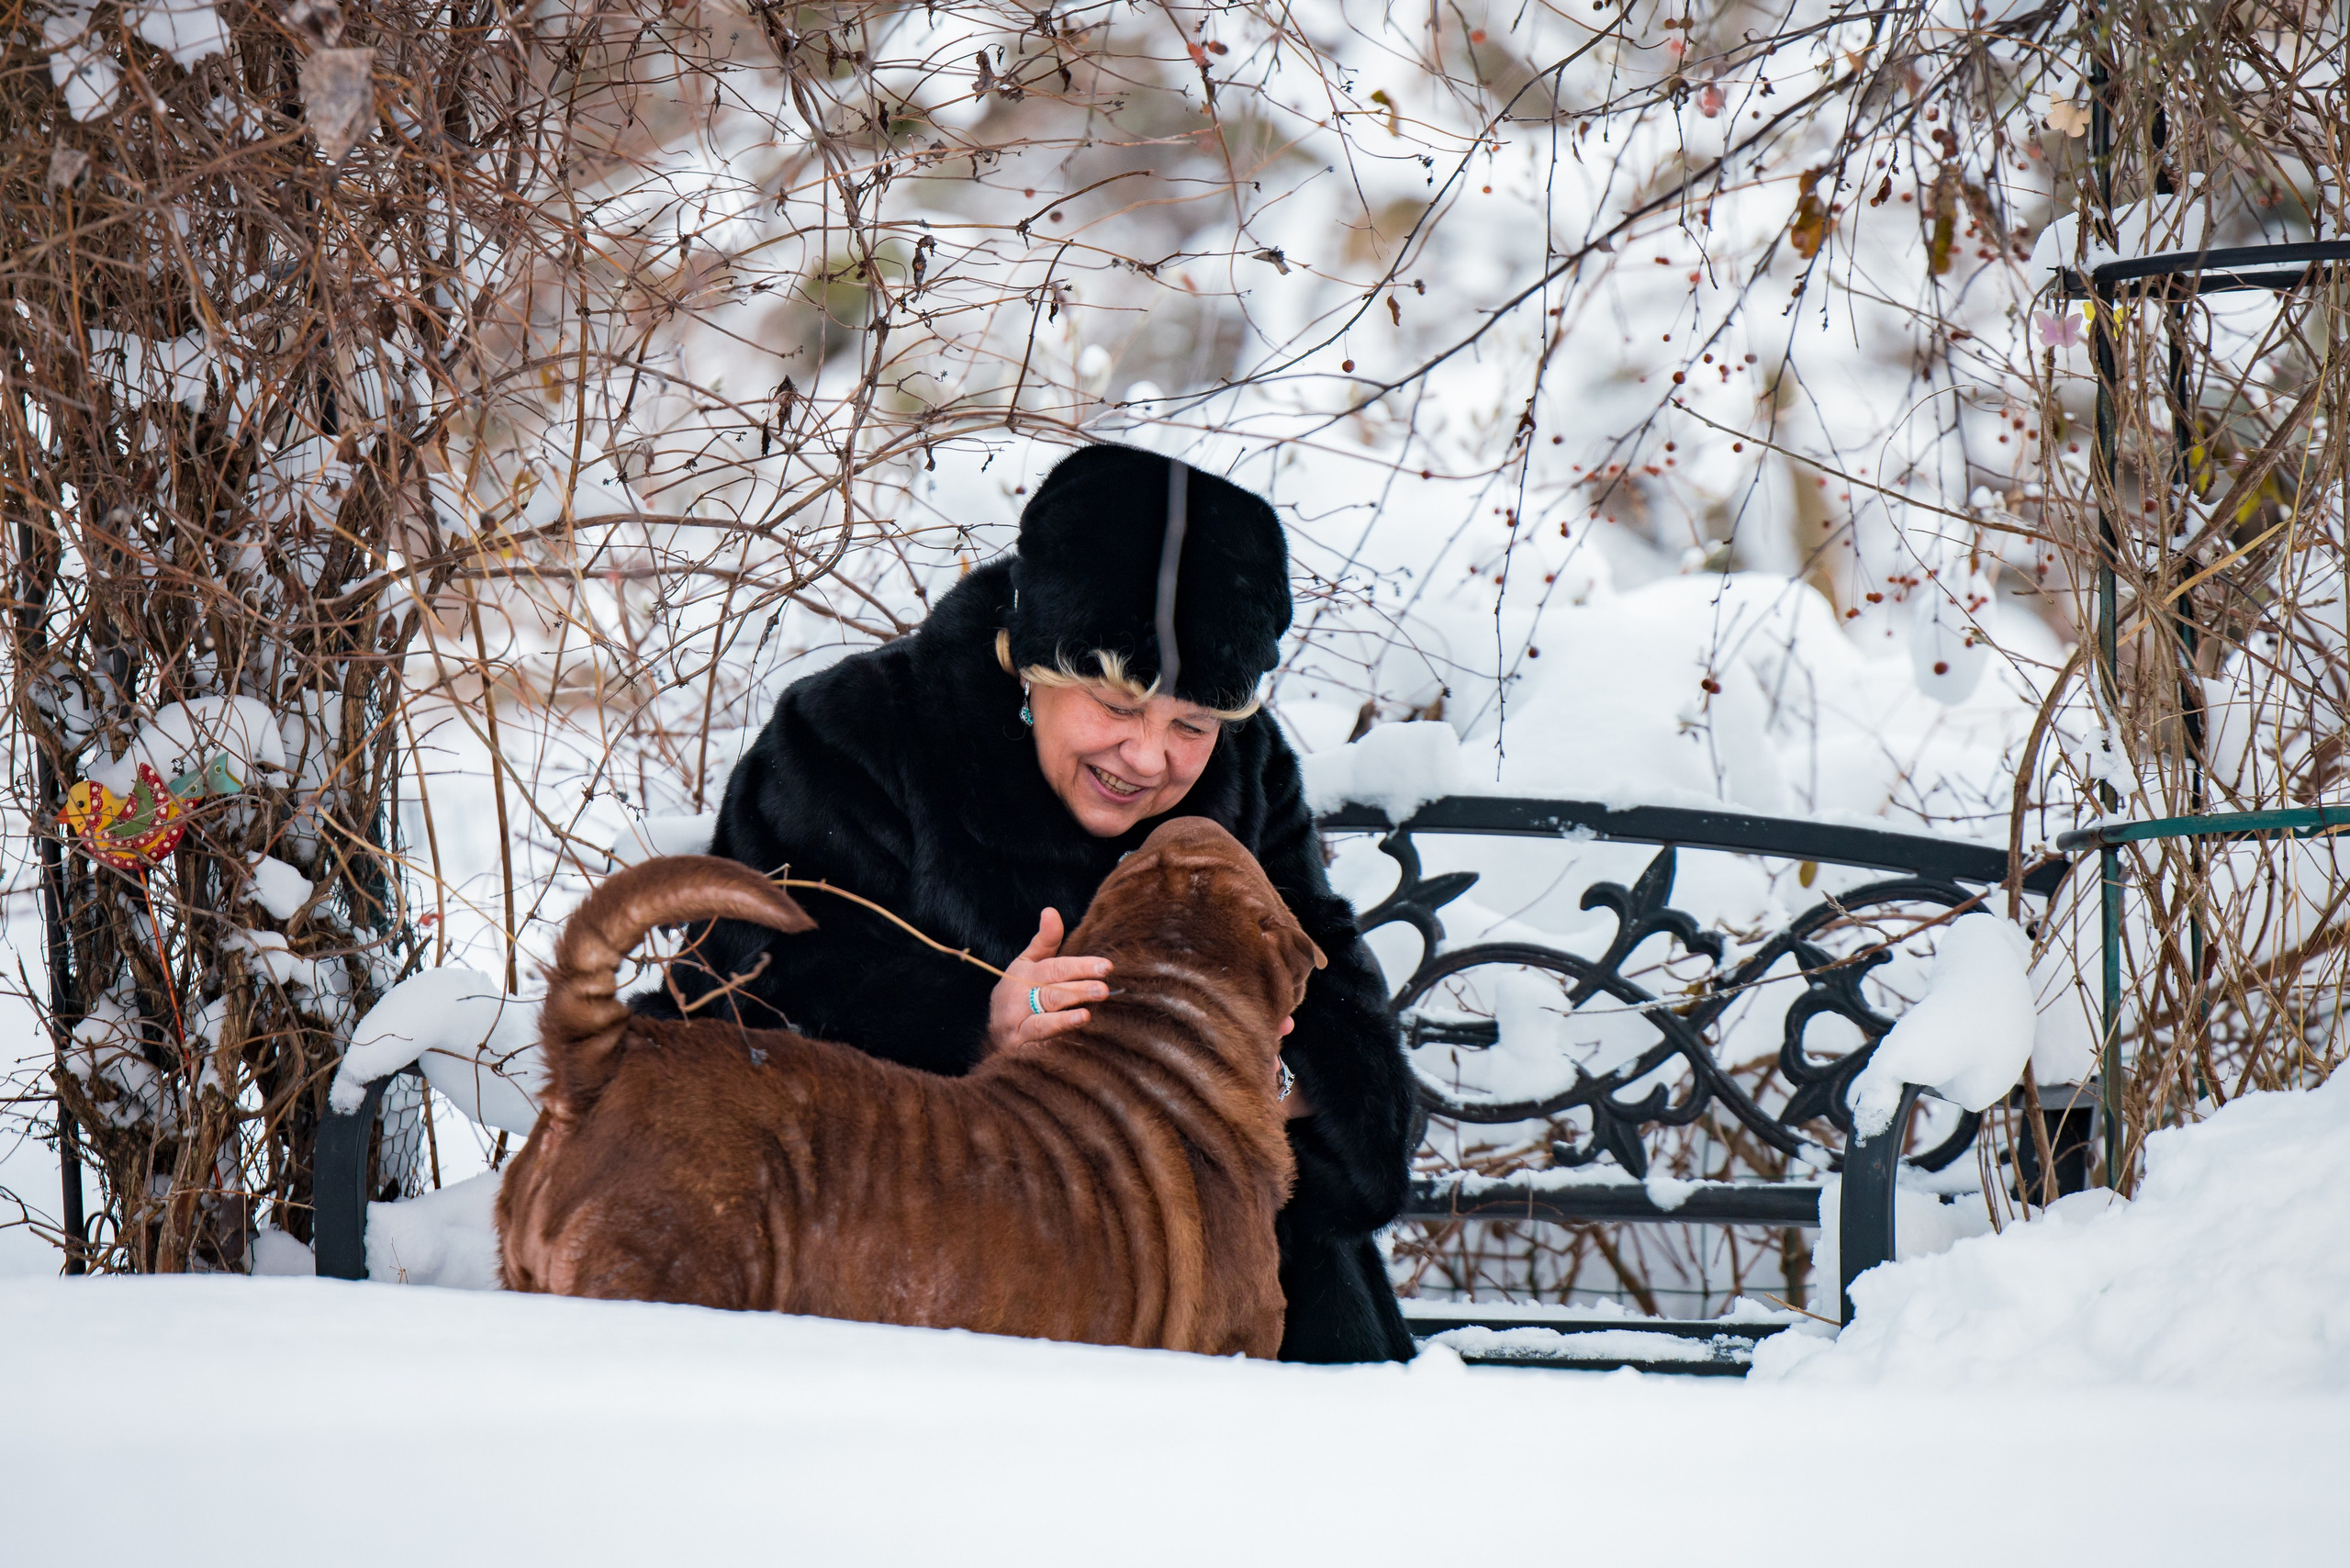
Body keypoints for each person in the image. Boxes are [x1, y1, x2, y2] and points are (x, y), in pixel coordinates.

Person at [636, 442, 1417, 1362]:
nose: (1148, 757)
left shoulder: (1243, 777)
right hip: (913, 1215)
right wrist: (976, 1030)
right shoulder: (857, 733)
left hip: (1187, 1241)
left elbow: (1333, 1006)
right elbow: (746, 994)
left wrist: (1273, 1088)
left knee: (1308, 1379)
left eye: (1191, 725)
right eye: (1115, 706)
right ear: (1031, 666)